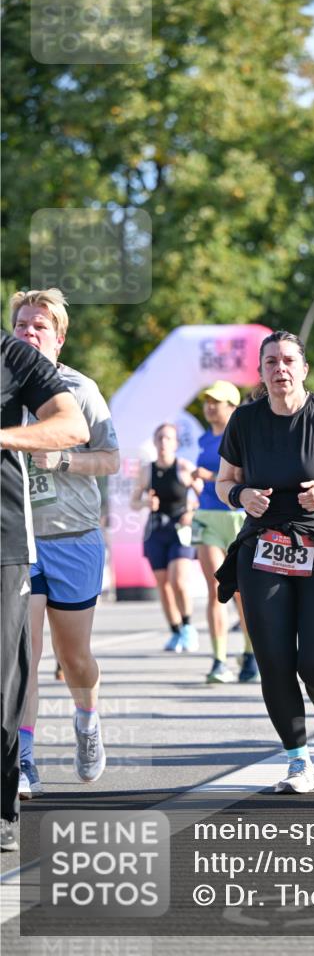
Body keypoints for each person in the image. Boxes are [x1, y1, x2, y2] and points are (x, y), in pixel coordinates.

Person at [215, 330, 314, 794]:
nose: (280, 369)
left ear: (303, 369)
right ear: (261, 372)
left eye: (288, 361)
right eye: (271, 362)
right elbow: (224, 481)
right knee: (274, 659)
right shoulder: (245, 420)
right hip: (265, 545)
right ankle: (297, 760)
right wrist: (241, 495)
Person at [11, 289, 120, 800]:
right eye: (22, 324)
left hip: (73, 538)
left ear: (59, 338)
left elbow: (111, 459)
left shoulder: (79, 388)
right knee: (24, 655)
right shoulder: (4, 387)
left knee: (73, 657)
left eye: (40, 326)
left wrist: (63, 460)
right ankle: (23, 758)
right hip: (19, 539)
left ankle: (87, 717)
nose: (29, 332)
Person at [1, 330, 89, 851]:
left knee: (8, 675)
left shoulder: (12, 356)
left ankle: (2, 805)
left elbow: (73, 426)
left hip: (8, 538)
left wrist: (4, 437)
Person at [191, 381, 258, 683]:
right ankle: (219, 660)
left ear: (232, 407)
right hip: (207, 516)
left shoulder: (243, 437)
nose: (209, 407)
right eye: (207, 401)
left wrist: (209, 476)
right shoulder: (204, 439)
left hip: (237, 518)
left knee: (243, 591)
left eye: (216, 402)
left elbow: (244, 476)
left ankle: (250, 652)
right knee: (216, 589)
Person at [131, 424, 199, 652]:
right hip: (155, 531)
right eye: (160, 438)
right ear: (154, 442)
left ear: (176, 443)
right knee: (163, 585)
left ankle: (188, 627)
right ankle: (175, 631)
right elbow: (133, 502)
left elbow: (203, 495)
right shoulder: (147, 470)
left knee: (178, 580)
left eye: (168, 438)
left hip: (180, 530)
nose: (163, 442)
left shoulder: (184, 467)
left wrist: (191, 511)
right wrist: (145, 503)